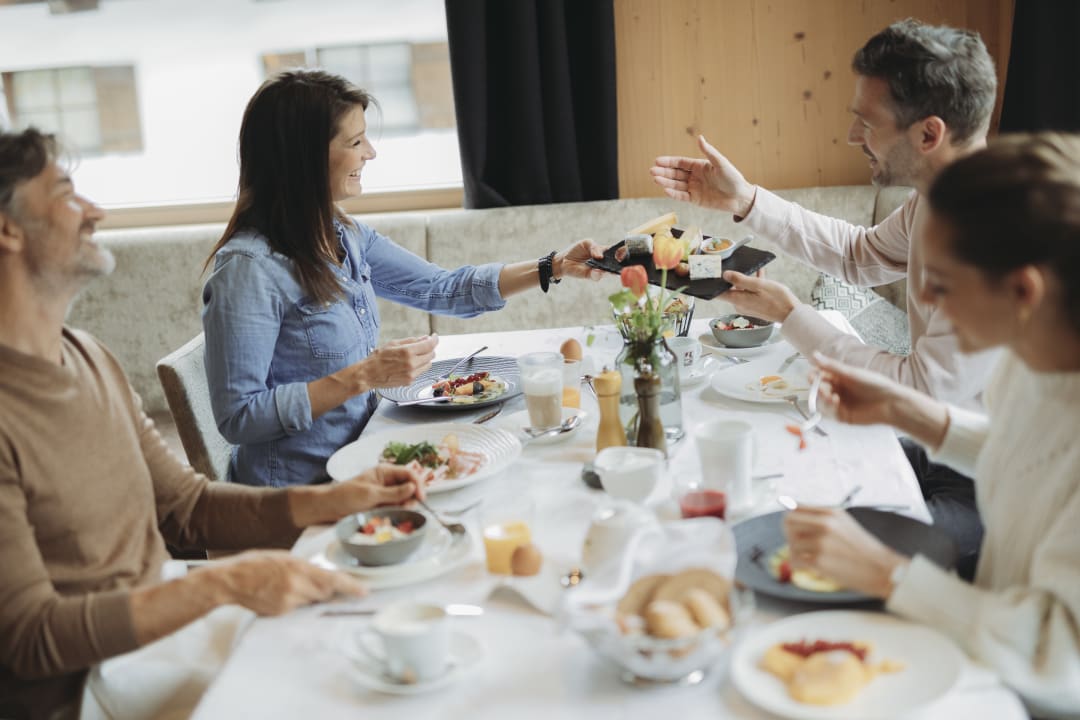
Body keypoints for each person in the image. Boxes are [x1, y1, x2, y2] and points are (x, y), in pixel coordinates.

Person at [0, 127, 428, 719]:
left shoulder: (88, 355)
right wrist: (224, 583)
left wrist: (332, 500)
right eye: (67, 193)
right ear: (8, 229)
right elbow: (29, 638)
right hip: (85, 691)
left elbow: (187, 506)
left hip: (165, 640)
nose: (95, 212)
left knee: (385, 645)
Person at [650, 19, 1000, 572]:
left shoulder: (990, 234)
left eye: (867, 122)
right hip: (933, 450)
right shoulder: (937, 197)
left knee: (794, 550)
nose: (853, 136)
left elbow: (924, 389)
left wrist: (791, 316)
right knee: (781, 477)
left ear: (928, 135)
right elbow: (861, 256)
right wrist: (747, 202)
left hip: (990, 493)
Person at [784, 134, 1080, 718]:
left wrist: (888, 574)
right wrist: (907, 411)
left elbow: (1063, 657)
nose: (920, 297)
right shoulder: (1032, 358)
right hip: (985, 656)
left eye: (940, 283)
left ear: (1023, 290)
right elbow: (1037, 462)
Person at [202, 69, 607, 489]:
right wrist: (364, 375)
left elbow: (442, 289)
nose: (370, 153)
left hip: (362, 459)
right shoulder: (248, 270)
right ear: (304, 157)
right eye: (355, 142)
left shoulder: (343, 234)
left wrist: (554, 266)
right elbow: (239, 417)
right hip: (301, 492)